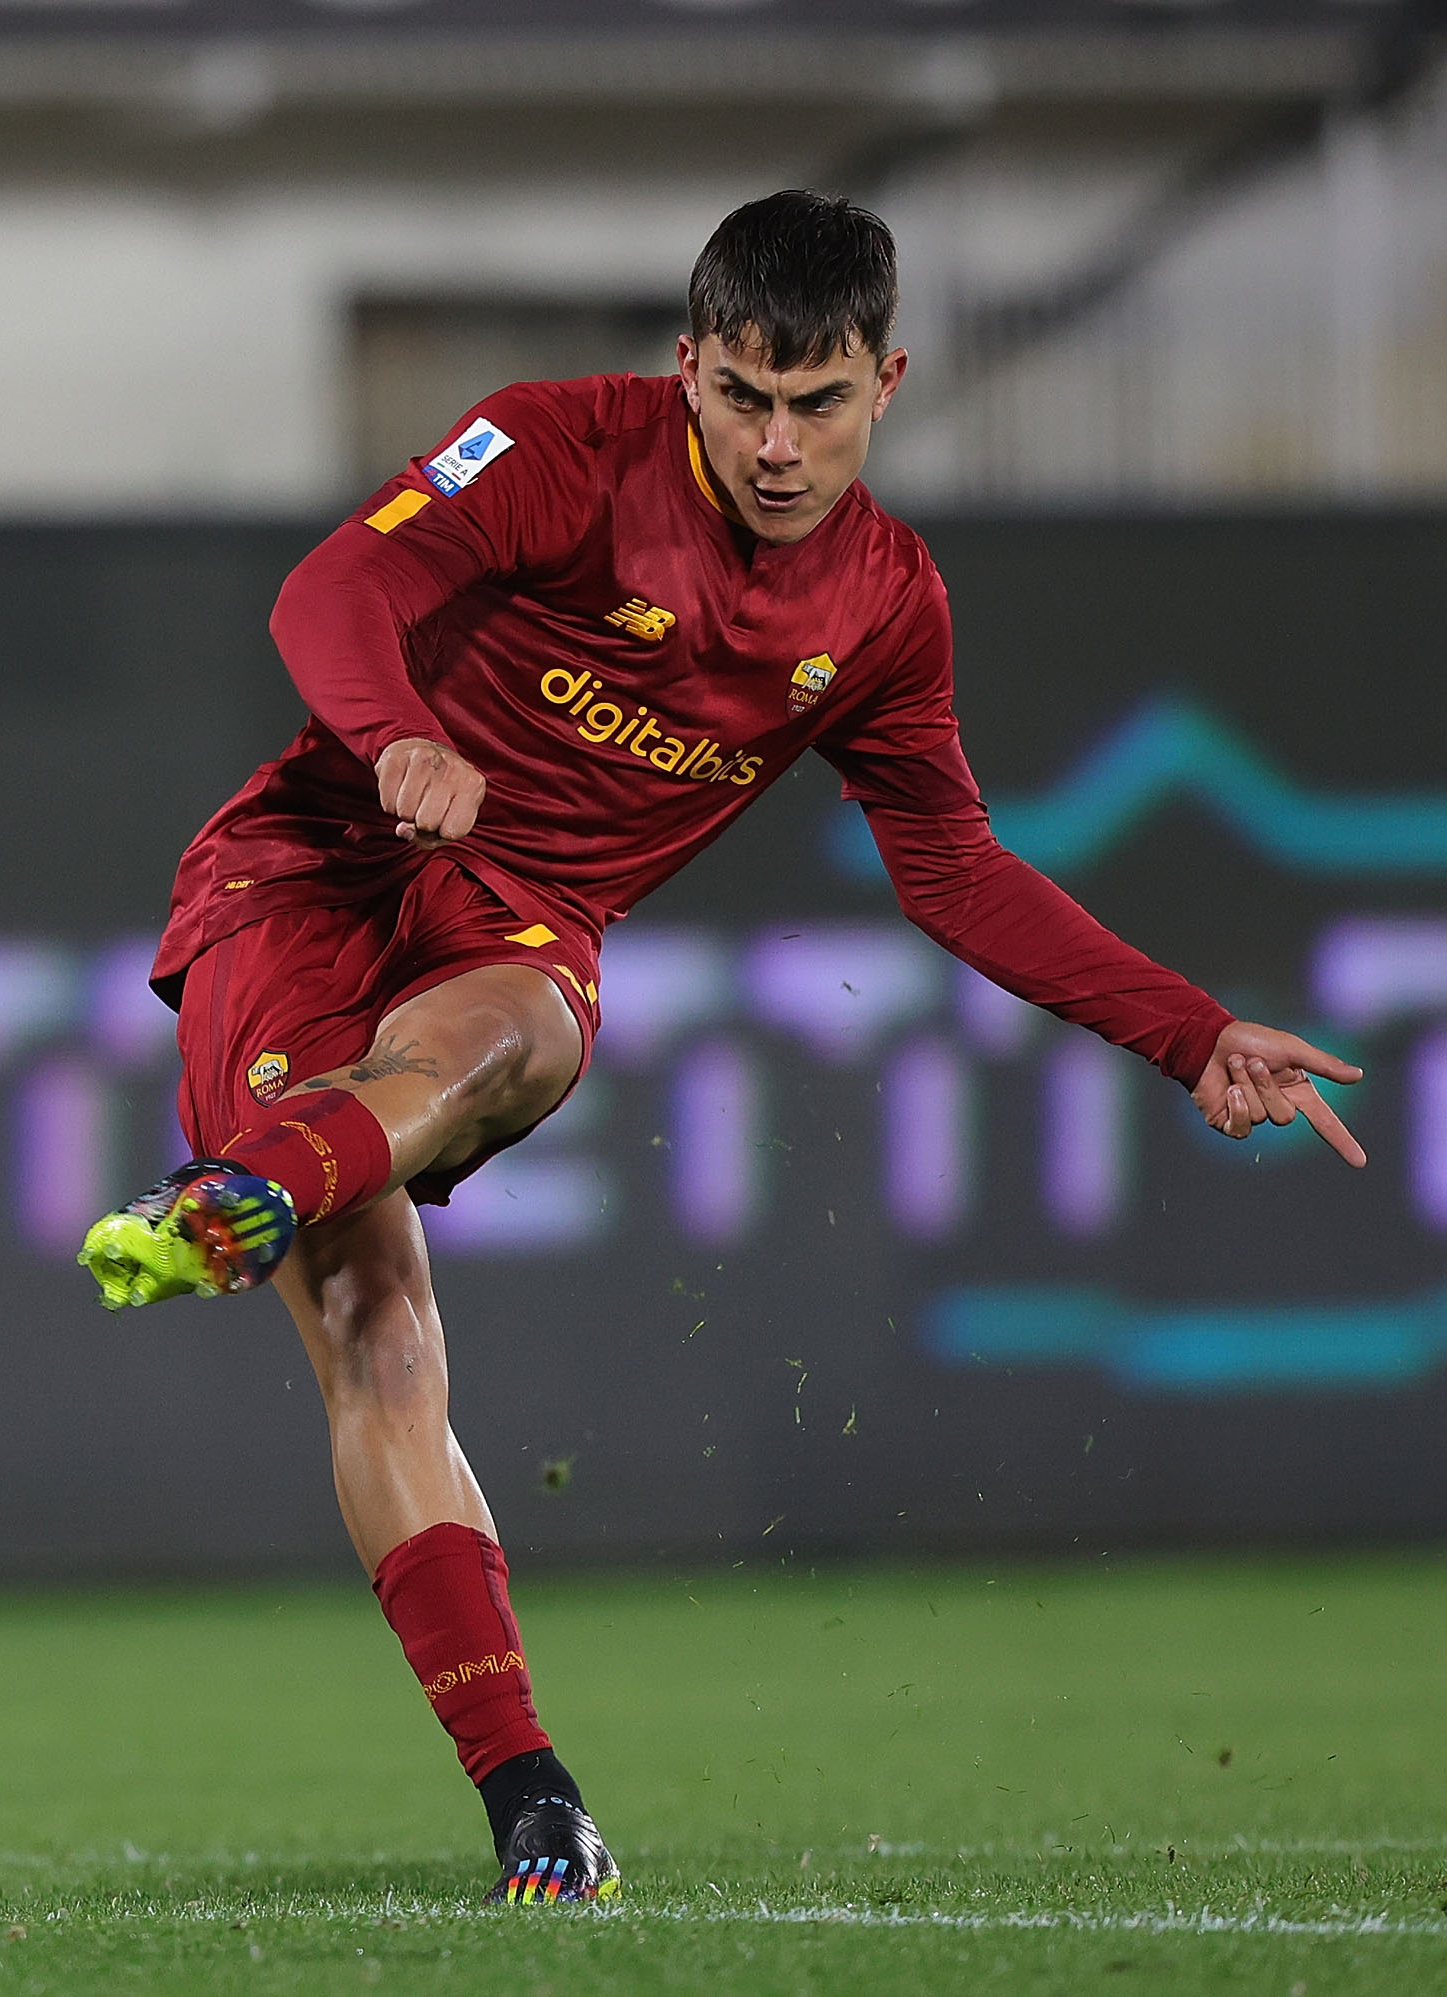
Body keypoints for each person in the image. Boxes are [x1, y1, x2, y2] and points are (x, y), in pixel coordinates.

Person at [75, 190, 1369, 1907]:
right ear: (685, 365)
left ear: (886, 383)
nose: (775, 443)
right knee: (381, 1328)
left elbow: (956, 867)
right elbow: (332, 593)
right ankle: (523, 1773)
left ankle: (252, 1199)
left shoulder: (888, 607)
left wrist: (1188, 1030)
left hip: (516, 923)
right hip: (310, 875)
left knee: (518, 1031)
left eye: (816, 402)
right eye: (742, 394)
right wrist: (393, 738)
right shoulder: (555, 451)